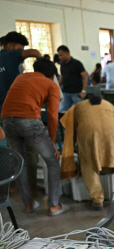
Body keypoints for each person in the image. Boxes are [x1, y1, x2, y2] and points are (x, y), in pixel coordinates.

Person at [1, 58, 69, 216]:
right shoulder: (51, 84)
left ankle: (28, 203)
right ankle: (54, 205)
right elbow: (52, 115)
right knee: (52, 160)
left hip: (7, 120)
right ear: (52, 75)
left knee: (20, 162)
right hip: (29, 121)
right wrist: (52, 142)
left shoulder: (20, 77)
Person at [60, 94, 114, 209]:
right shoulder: (109, 104)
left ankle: (97, 200)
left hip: (90, 134)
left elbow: (69, 129)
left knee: (88, 164)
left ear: (85, 100)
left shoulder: (76, 107)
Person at [0, 32, 42, 114]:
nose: (21, 52)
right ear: (10, 46)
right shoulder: (12, 55)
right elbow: (35, 52)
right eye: (20, 50)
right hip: (12, 107)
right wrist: (44, 64)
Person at [57, 45, 87, 111]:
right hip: (65, 92)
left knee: (80, 111)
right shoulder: (62, 64)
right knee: (62, 111)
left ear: (67, 53)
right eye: (59, 55)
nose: (59, 57)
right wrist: (55, 86)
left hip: (76, 93)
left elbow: (85, 77)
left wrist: (83, 91)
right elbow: (62, 78)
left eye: (61, 55)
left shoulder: (77, 63)